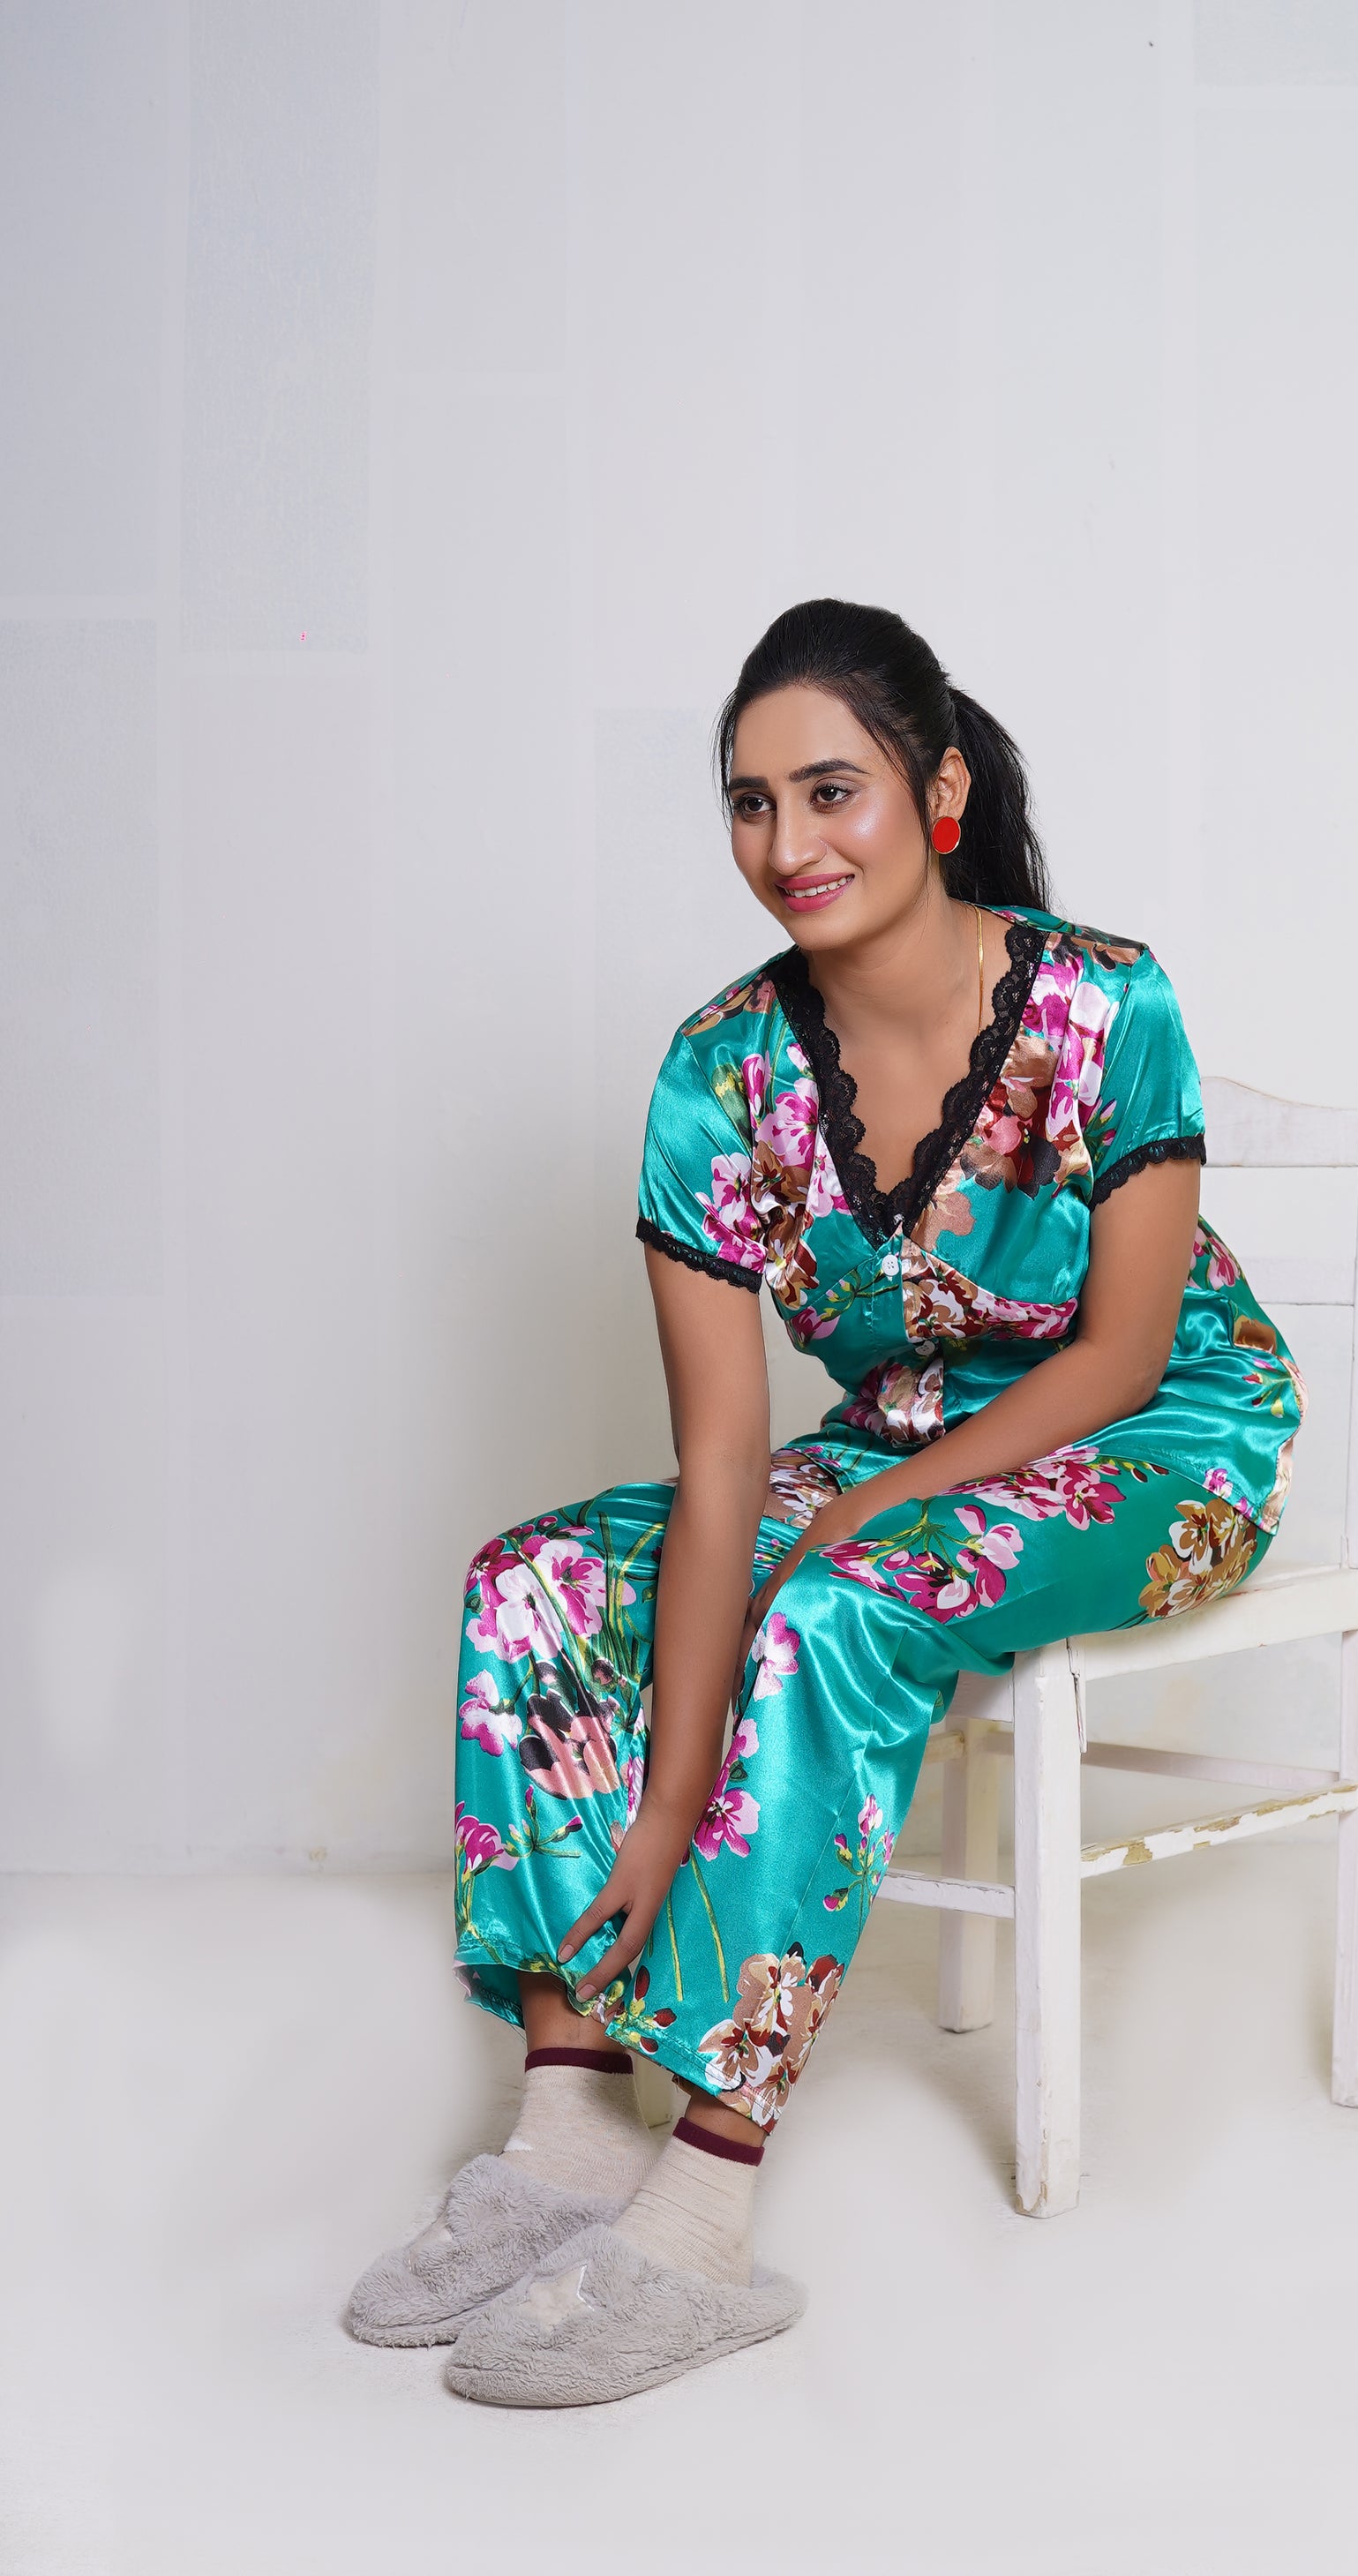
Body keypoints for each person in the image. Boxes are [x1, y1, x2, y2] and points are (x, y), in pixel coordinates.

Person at [348, 598, 1303, 2405]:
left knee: (840, 1602)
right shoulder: (715, 1075)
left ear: (937, 793)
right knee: (535, 1578)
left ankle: (706, 2208)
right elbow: (723, 1462)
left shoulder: (1108, 999)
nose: (789, 841)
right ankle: (570, 2124)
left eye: (831, 789)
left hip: (1162, 1438)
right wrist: (664, 1800)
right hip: (898, 1442)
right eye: (751, 801)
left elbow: (1121, 1353)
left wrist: (879, 1510)